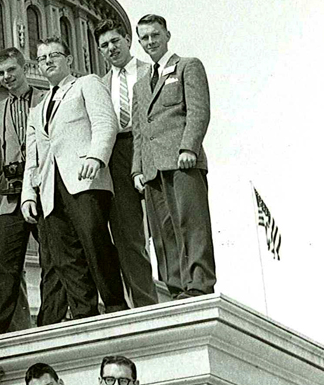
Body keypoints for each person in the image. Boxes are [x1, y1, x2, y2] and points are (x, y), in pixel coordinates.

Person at [21, 37, 128, 322]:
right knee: (65, 256)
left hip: (83, 178)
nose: (47, 62)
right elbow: (32, 156)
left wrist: (96, 156)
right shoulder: (37, 108)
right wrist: (28, 195)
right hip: (49, 188)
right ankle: (84, 313)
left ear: (68, 59)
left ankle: (116, 305)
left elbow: (106, 122)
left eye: (54, 55)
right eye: (42, 58)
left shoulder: (86, 84)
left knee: (94, 241)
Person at [131, 14, 216, 299]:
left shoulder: (187, 66)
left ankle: (199, 284)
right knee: (163, 233)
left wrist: (189, 147)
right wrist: (137, 170)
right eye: (144, 38)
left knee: (192, 225)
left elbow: (198, 111)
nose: (150, 42)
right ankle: (176, 287)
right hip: (153, 169)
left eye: (155, 35)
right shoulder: (140, 85)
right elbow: (140, 131)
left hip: (182, 162)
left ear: (167, 35)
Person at [0, 49, 67, 331]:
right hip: (9, 197)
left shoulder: (47, 100)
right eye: (0, 73)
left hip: (43, 190)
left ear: (23, 68)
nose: (6, 77)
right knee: (5, 264)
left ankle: (50, 321)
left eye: (11, 70)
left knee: (52, 259)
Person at [94, 20, 158, 309]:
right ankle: (145, 306)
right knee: (129, 235)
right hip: (118, 154)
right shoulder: (100, 84)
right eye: (104, 45)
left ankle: (183, 295)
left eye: (115, 41)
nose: (111, 48)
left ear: (128, 40)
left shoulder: (150, 71)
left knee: (162, 227)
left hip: (150, 146)